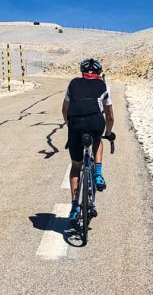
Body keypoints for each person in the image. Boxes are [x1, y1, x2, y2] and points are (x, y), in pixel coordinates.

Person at [62, 58, 116, 223]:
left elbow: (65, 110)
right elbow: (110, 116)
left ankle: (73, 207)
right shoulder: (104, 85)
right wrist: (108, 132)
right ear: (99, 73)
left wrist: (70, 126)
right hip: (95, 122)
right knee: (98, 140)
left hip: (76, 124)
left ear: (82, 72)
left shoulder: (73, 84)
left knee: (76, 167)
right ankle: (98, 174)